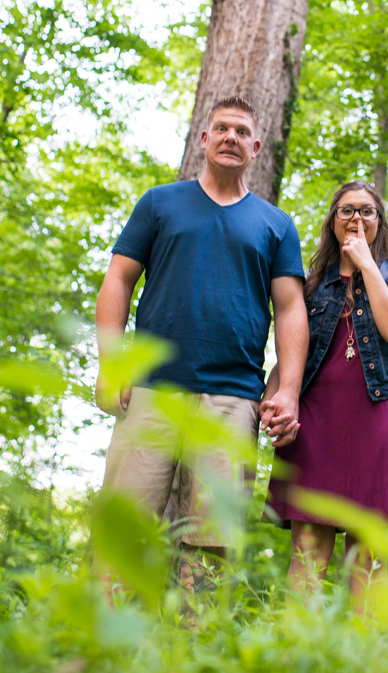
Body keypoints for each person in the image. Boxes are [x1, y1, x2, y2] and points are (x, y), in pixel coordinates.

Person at [95, 95, 309, 591]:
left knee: (212, 544)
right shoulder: (159, 202)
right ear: (204, 139)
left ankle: (194, 656)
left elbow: (291, 309)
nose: (231, 137)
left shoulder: (276, 225)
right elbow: (118, 281)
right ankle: (102, 650)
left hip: (233, 401)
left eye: (241, 132)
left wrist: (289, 390)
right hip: (151, 392)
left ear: (256, 147)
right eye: (222, 129)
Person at [262, 180, 388, 601]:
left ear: (379, 222)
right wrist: (271, 395)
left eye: (367, 211)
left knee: (367, 559)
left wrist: (366, 265)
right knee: (307, 556)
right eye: (346, 210)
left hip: (378, 420)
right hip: (316, 424)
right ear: (333, 221)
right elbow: (291, 354)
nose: (356, 218)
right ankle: (301, 656)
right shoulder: (310, 285)